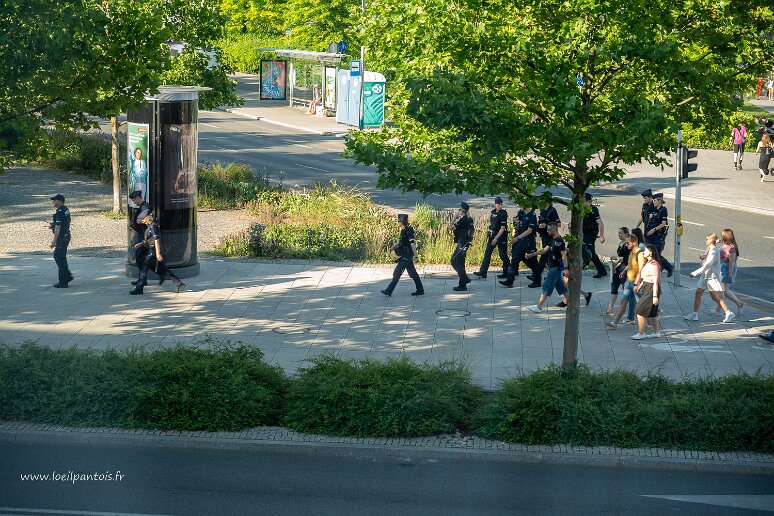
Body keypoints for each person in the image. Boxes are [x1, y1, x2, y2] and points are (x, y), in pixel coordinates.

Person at [683, 233, 736, 323]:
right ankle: (695, 314)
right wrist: (704, 256)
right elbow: (707, 260)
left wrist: (694, 273)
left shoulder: (714, 251)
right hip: (705, 276)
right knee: (698, 294)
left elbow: (708, 265)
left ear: (712, 240)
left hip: (711, 277)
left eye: (707, 239)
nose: (705, 240)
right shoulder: (710, 249)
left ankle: (729, 313)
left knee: (715, 297)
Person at [130, 213, 185, 295]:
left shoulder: (153, 227)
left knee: (144, 269)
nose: (142, 221)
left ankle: (139, 288)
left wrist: (158, 253)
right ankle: (178, 283)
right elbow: (150, 239)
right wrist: (141, 244)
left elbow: (156, 240)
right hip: (153, 250)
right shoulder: (151, 226)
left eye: (143, 219)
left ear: (148, 219)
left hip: (153, 251)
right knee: (163, 269)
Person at [524, 222, 569, 313]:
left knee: (547, 286)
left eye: (548, 230)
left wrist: (566, 268)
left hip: (555, 268)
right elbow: (544, 250)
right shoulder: (552, 240)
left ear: (554, 230)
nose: (547, 231)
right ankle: (571, 304)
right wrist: (532, 254)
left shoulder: (559, 241)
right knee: (561, 288)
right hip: (553, 267)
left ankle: (539, 306)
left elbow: (563, 255)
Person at [605, 234, 644, 330]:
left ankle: (653, 318)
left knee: (643, 304)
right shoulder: (632, 252)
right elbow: (630, 264)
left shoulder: (639, 253)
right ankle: (615, 323)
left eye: (628, 243)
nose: (626, 245)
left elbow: (641, 269)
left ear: (634, 242)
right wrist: (624, 271)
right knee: (623, 302)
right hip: (629, 281)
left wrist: (637, 283)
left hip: (635, 282)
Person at [381, 214, 424, 296]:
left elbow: (412, 244)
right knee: (413, 273)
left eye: (398, 221)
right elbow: (399, 242)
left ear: (401, 222)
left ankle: (389, 290)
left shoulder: (409, 232)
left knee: (397, 273)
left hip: (407, 256)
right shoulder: (403, 231)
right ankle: (420, 290)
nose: (397, 222)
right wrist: (392, 248)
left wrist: (416, 256)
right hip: (405, 255)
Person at [500, 202, 539, 288]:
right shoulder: (524, 214)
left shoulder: (532, 215)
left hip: (529, 242)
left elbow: (529, 230)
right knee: (514, 260)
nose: (519, 205)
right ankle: (509, 281)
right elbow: (521, 226)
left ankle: (537, 281)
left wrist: (517, 238)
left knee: (533, 262)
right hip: (522, 241)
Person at [631, 244, 662, 340]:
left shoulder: (654, 265)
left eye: (645, 251)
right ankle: (656, 332)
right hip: (647, 287)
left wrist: (655, 296)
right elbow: (645, 278)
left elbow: (655, 281)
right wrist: (639, 286)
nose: (643, 252)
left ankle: (642, 333)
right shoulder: (648, 262)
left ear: (650, 252)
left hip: (651, 289)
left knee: (639, 311)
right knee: (652, 313)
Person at [474, 197, 509, 279]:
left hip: (501, 236)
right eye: (498, 204)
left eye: (501, 204)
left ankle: (507, 272)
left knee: (502, 255)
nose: (500, 206)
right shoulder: (493, 212)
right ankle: (483, 272)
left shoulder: (503, 214)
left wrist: (496, 238)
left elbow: (502, 228)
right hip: (492, 235)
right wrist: (489, 231)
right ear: (495, 204)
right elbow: (493, 224)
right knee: (487, 253)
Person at [716, 228, 744, 315]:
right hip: (722, 269)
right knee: (724, 290)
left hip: (726, 270)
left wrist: (730, 273)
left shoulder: (731, 248)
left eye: (722, 235)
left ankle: (718, 310)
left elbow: (732, 262)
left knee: (721, 290)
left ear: (725, 236)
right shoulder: (725, 245)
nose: (721, 236)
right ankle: (739, 303)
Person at [532, 200, 561, 282]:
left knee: (545, 255)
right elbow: (540, 221)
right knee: (547, 256)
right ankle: (547, 275)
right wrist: (539, 225)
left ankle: (536, 276)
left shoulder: (552, 210)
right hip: (544, 235)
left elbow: (558, 224)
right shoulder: (542, 210)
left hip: (550, 236)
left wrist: (547, 224)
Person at [645, 193, 673, 277]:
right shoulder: (653, 208)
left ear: (660, 201)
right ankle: (654, 269)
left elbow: (663, 223)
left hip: (658, 235)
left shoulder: (663, 210)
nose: (653, 202)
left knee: (656, 253)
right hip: (650, 235)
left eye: (655, 200)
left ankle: (668, 267)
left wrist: (654, 229)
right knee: (649, 252)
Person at [605, 227, 630, 315]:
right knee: (614, 286)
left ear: (626, 234)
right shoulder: (621, 244)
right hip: (617, 267)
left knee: (626, 289)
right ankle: (610, 308)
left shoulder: (627, 245)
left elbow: (627, 259)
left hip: (623, 268)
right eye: (618, 233)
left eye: (621, 233)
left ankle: (636, 308)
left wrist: (617, 257)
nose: (619, 235)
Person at [49, 194, 73, 288]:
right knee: (59, 256)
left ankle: (63, 281)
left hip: (62, 238)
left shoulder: (59, 212)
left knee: (59, 258)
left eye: (54, 200)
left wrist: (54, 241)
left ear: (59, 201)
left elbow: (58, 227)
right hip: (66, 236)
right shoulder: (65, 209)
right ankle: (67, 276)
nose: (53, 202)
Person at [581, 192, 607, 278]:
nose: (581, 202)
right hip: (584, 233)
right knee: (591, 253)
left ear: (588, 201)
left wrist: (602, 236)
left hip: (591, 234)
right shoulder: (582, 209)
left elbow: (600, 223)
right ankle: (602, 271)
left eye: (583, 201)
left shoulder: (593, 210)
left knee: (589, 252)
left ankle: (582, 266)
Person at [450, 202, 474, 291]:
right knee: (458, 262)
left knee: (456, 261)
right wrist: (470, 239)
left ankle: (463, 283)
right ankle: (464, 280)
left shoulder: (462, 220)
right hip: (465, 242)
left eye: (459, 209)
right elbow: (472, 230)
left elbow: (450, 226)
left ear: (461, 210)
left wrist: (454, 218)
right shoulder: (469, 219)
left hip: (462, 242)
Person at [128, 191, 150, 270]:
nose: (134, 202)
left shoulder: (144, 207)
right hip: (142, 234)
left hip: (143, 234)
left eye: (134, 200)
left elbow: (143, 220)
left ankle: (142, 274)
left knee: (139, 256)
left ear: (137, 198)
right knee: (140, 257)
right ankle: (142, 275)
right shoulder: (143, 206)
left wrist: (138, 221)